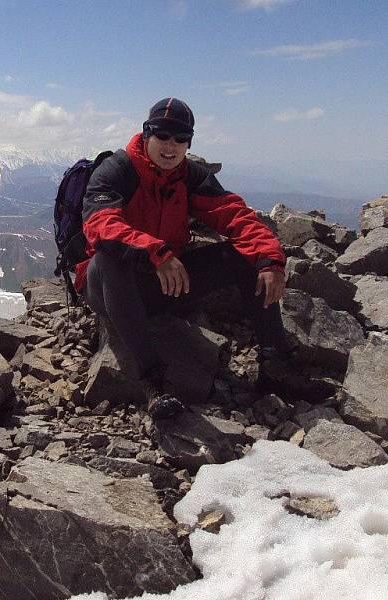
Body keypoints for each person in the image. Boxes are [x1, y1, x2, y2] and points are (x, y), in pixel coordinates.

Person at [74, 97, 288, 420]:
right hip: (111, 288)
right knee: (107, 260)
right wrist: (154, 252)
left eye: (180, 139)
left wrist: (269, 259)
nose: (170, 146)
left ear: (188, 143)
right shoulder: (117, 171)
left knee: (246, 254)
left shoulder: (188, 176)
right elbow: (100, 225)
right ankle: (154, 384)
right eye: (162, 136)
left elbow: (233, 215)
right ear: (147, 135)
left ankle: (276, 366)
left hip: (166, 283)